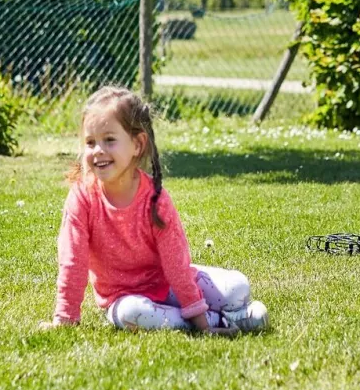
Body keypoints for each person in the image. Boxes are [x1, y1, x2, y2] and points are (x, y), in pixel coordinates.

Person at [43, 86, 268, 335]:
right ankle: (226, 320)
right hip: (123, 300)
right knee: (135, 314)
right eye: (90, 142)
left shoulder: (155, 199)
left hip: (166, 285)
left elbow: (176, 266)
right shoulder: (82, 198)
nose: (97, 150)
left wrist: (197, 314)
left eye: (109, 140)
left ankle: (227, 314)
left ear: (137, 145)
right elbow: (72, 262)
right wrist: (65, 318)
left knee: (238, 287)